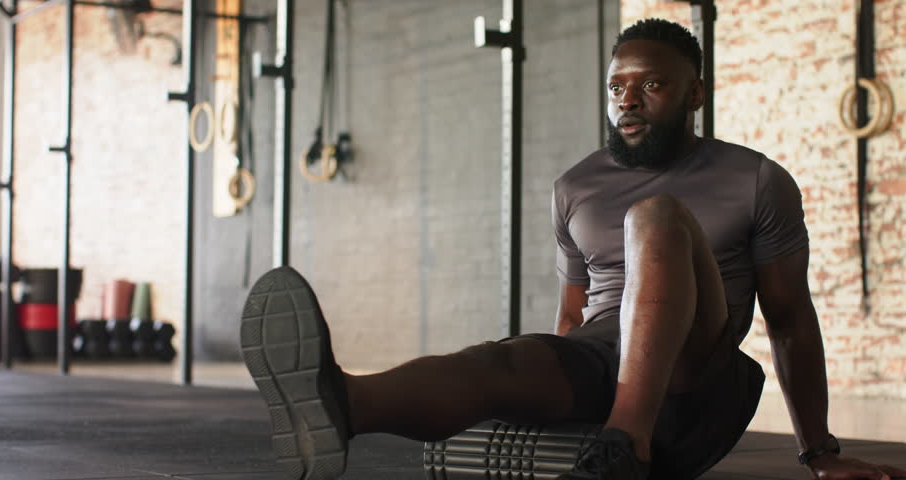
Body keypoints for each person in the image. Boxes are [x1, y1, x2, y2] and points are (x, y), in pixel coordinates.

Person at [239, 18, 906, 480]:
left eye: (653, 84)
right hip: (600, 359)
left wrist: (819, 450)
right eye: (618, 86)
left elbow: (790, 320)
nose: (629, 100)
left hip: (697, 382)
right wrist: (536, 389)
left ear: (695, 94)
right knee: (497, 361)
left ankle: (625, 445)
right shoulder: (576, 185)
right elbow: (573, 317)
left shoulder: (755, 178)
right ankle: (341, 405)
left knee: (655, 219)